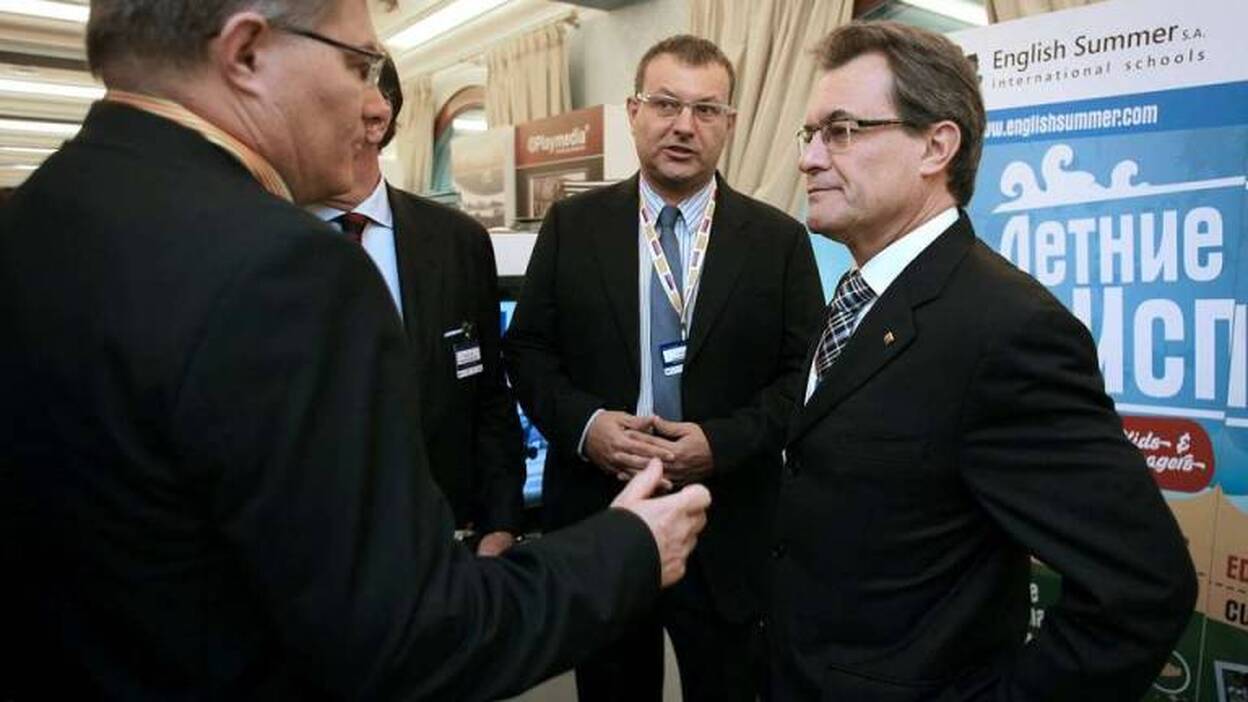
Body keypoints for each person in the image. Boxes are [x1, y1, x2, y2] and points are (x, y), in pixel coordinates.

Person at [0, 1, 711, 699]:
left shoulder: (37, 217)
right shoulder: (285, 267)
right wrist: (630, 548)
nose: (373, 105)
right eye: (358, 65)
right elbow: (410, 638)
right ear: (247, 53)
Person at [770, 20, 1197, 701]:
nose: (811, 158)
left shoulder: (1010, 329)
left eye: (842, 131)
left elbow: (1143, 587)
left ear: (936, 146)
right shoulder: (859, 295)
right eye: (811, 133)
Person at [504, 34, 823, 702]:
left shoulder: (780, 240)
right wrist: (587, 426)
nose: (684, 125)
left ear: (730, 124)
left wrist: (720, 443)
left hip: (727, 521)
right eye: (666, 104)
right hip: (602, 513)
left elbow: (805, 376)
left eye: (706, 110)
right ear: (634, 111)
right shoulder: (572, 225)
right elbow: (528, 350)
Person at [310, 57, 525, 557]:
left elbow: (488, 395)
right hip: (310, 548)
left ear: (375, 118)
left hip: (444, 541)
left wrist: (501, 524)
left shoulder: (457, 241)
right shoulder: (258, 241)